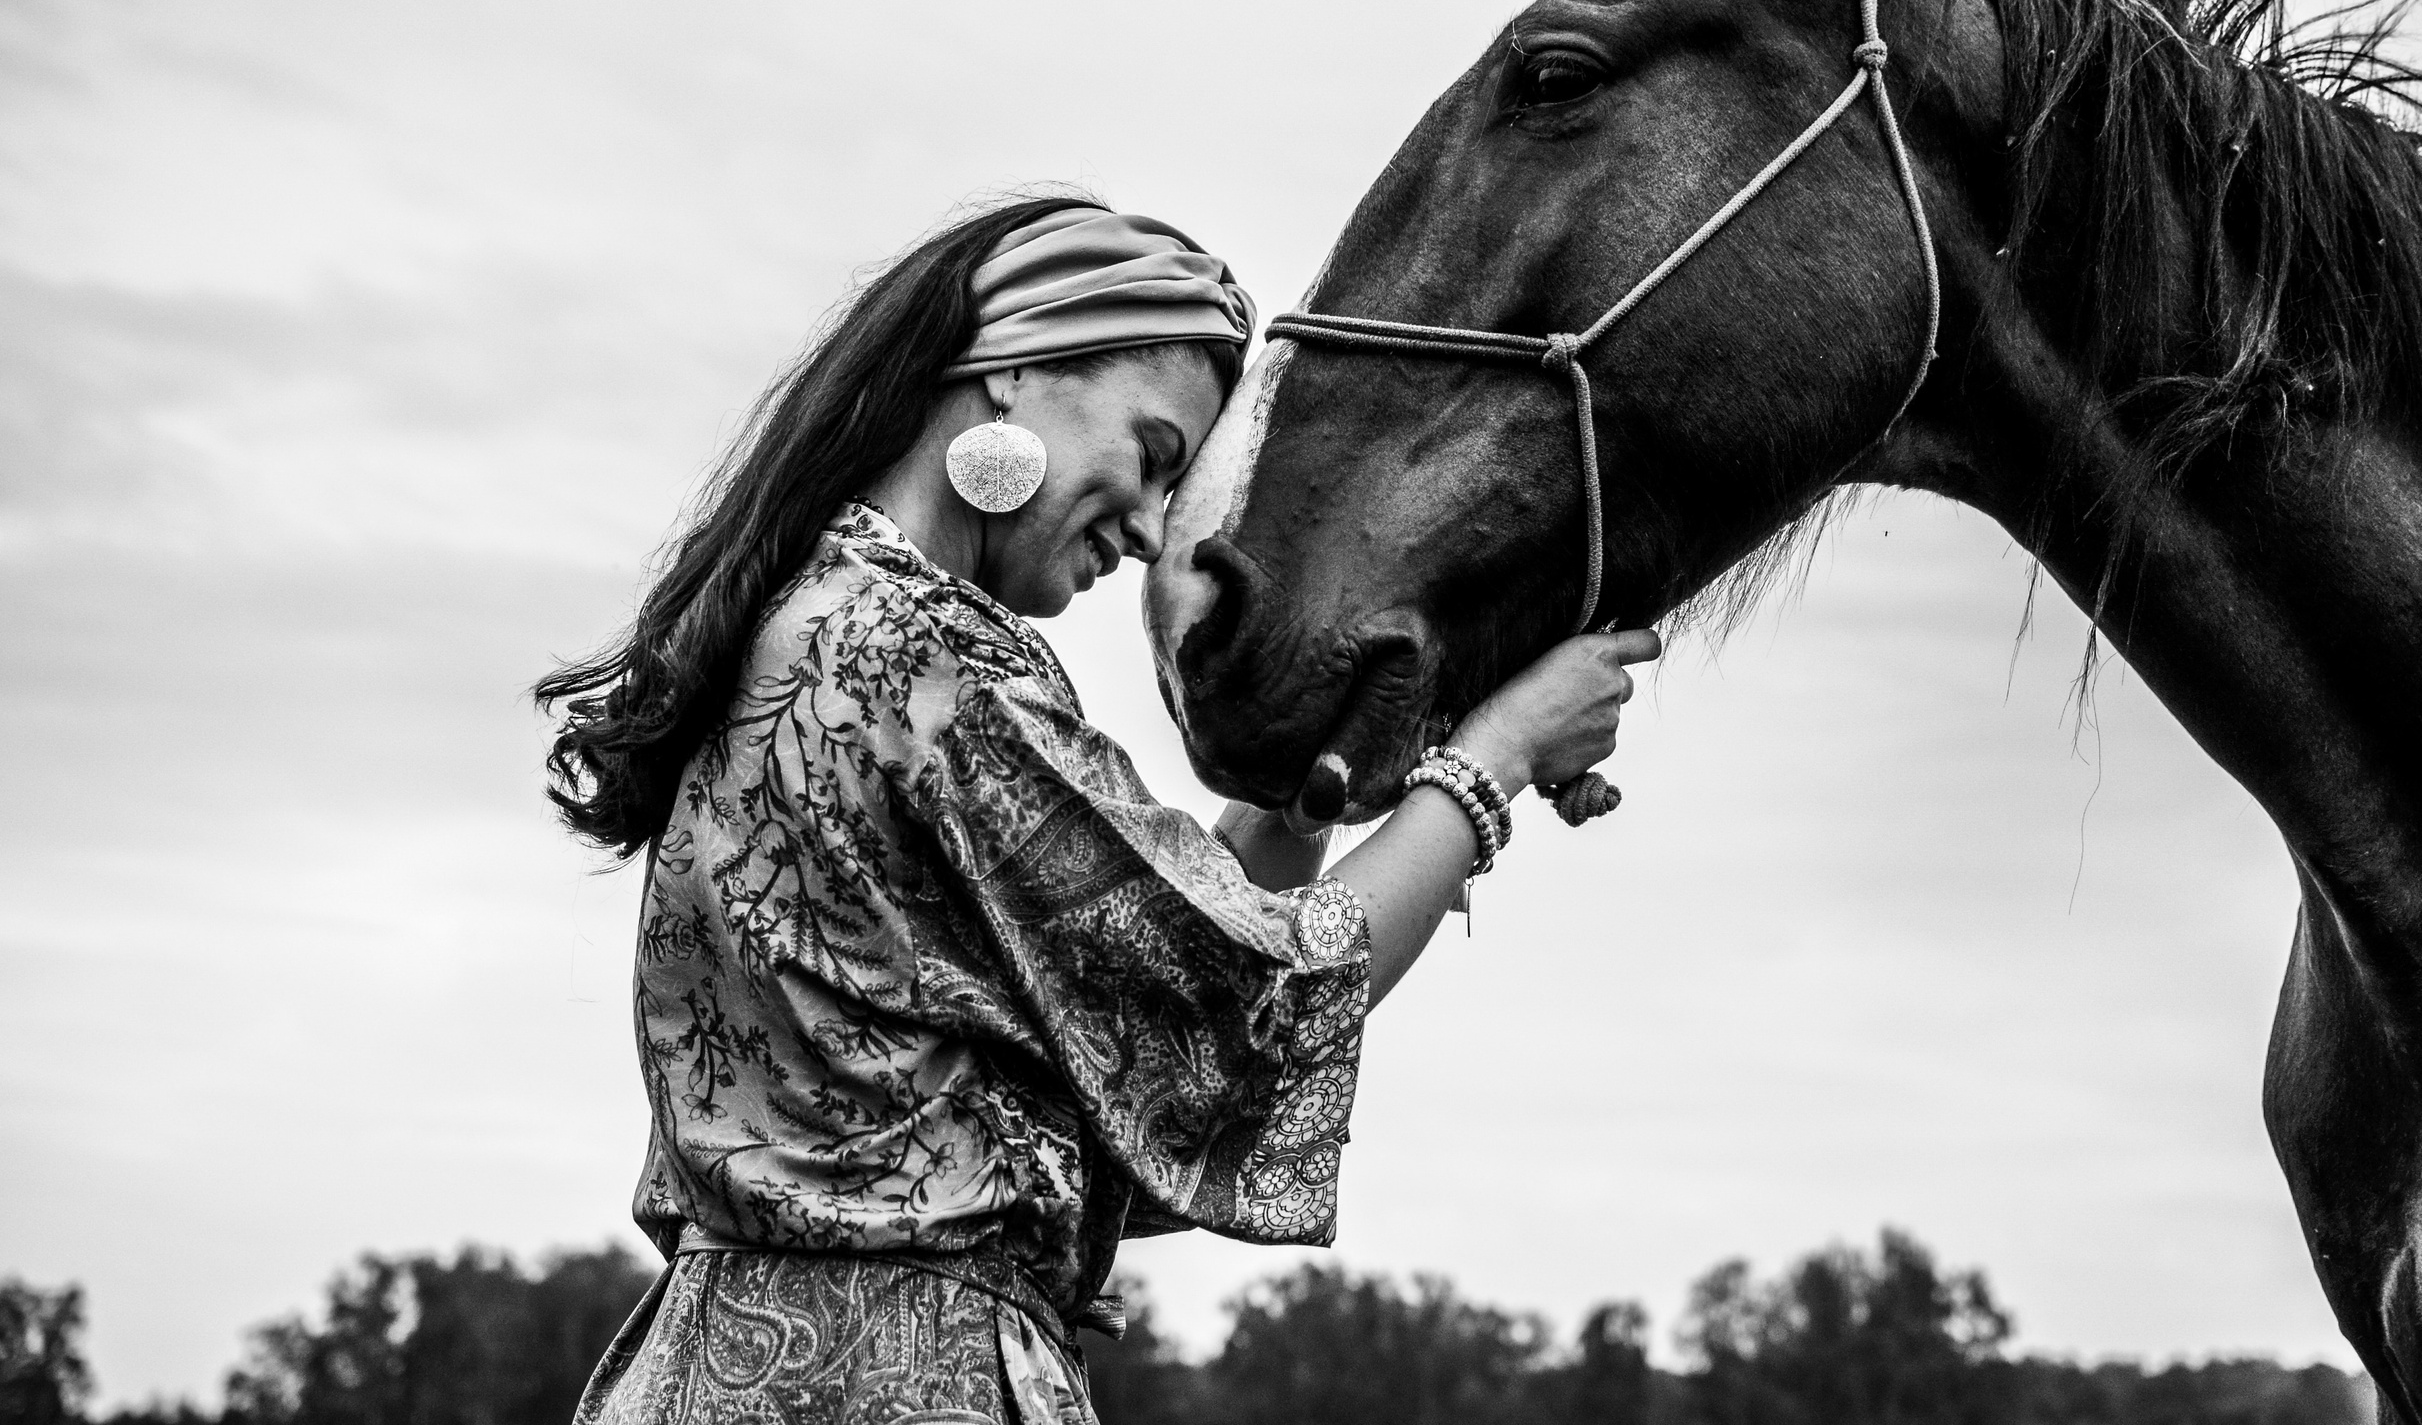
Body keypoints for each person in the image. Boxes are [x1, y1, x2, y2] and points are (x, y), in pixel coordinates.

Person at [537, 195, 1660, 1424]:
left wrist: (1305, 779)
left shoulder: (802, 623)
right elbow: (1258, 998)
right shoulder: (924, 658)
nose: (1141, 532)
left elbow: (1142, 1046)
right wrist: (1494, 758)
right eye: (1153, 454)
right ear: (1014, 367)